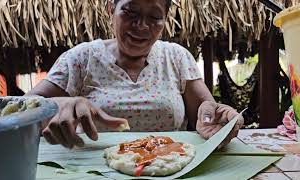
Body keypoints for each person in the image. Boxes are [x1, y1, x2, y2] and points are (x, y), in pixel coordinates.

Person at [27, 0, 244, 149]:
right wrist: (55, 104)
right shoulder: (81, 59)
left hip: (168, 166)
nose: (141, 26)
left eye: (155, 17)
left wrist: (218, 122)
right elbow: (18, 108)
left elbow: (208, 114)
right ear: (110, 9)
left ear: (165, 19)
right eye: (130, 13)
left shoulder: (177, 57)